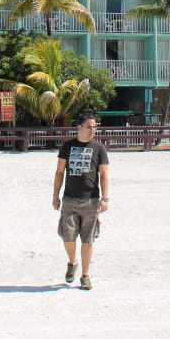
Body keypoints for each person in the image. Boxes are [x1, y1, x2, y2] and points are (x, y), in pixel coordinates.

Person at [53, 113, 109, 290]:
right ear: (80, 127)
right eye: (90, 126)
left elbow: (104, 174)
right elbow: (60, 172)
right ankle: (72, 262)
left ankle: (85, 275)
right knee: (68, 237)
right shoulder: (68, 146)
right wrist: (55, 195)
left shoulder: (99, 148)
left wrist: (105, 198)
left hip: (91, 200)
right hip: (69, 198)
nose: (93, 130)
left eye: (95, 127)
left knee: (88, 240)